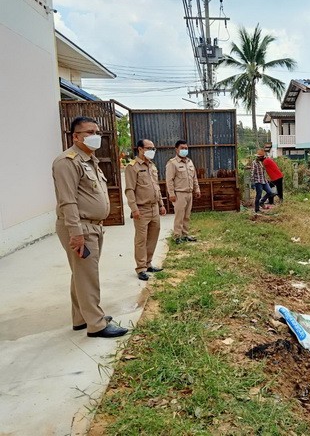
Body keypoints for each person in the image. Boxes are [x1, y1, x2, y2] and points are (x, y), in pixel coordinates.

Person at [52, 116, 128, 338]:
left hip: (92, 226)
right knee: (88, 276)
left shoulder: (89, 160)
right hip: (80, 227)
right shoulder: (67, 162)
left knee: (81, 274)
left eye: (97, 132)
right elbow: (67, 201)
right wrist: (76, 233)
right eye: (90, 132)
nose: (96, 136)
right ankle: (96, 324)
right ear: (76, 136)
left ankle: (81, 318)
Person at [125, 139, 166, 281]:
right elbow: (129, 190)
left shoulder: (152, 166)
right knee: (141, 240)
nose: (152, 151)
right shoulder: (133, 167)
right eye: (149, 148)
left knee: (153, 237)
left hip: (154, 208)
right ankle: (141, 268)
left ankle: (148, 263)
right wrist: (134, 209)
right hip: (141, 209)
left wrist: (161, 204)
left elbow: (156, 187)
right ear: (140, 149)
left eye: (153, 148)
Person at [165, 140, 201, 244]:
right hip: (179, 194)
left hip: (189, 193)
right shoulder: (172, 163)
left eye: (186, 148)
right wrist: (171, 194)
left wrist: (197, 189)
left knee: (187, 215)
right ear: (176, 149)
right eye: (182, 148)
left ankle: (185, 234)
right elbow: (169, 180)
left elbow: (194, 177)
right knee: (179, 216)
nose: (184, 150)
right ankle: (177, 236)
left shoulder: (190, 162)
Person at [251, 149, 275, 213]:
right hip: (258, 181)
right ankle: (257, 209)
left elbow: (265, 170)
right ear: (258, 157)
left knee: (270, 192)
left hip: (264, 180)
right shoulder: (254, 163)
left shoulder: (263, 162)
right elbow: (252, 172)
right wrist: (252, 182)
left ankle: (261, 202)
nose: (262, 157)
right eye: (260, 156)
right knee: (259, 195)